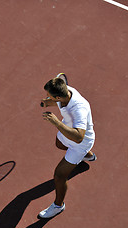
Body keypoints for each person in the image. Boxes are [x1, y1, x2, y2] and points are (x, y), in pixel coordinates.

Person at [38, 73, 96, 219]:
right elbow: (57, 101)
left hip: (80, 142)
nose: (47, 96)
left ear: (58, 97)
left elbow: (78, 137)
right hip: (67, 131)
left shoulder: (79, 108)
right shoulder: (65, 91)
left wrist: (57, 122)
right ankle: (88, 156)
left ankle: (58, 206)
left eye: (49, 95)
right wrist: (47, 102)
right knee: (59, 144)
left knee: (59, 175)